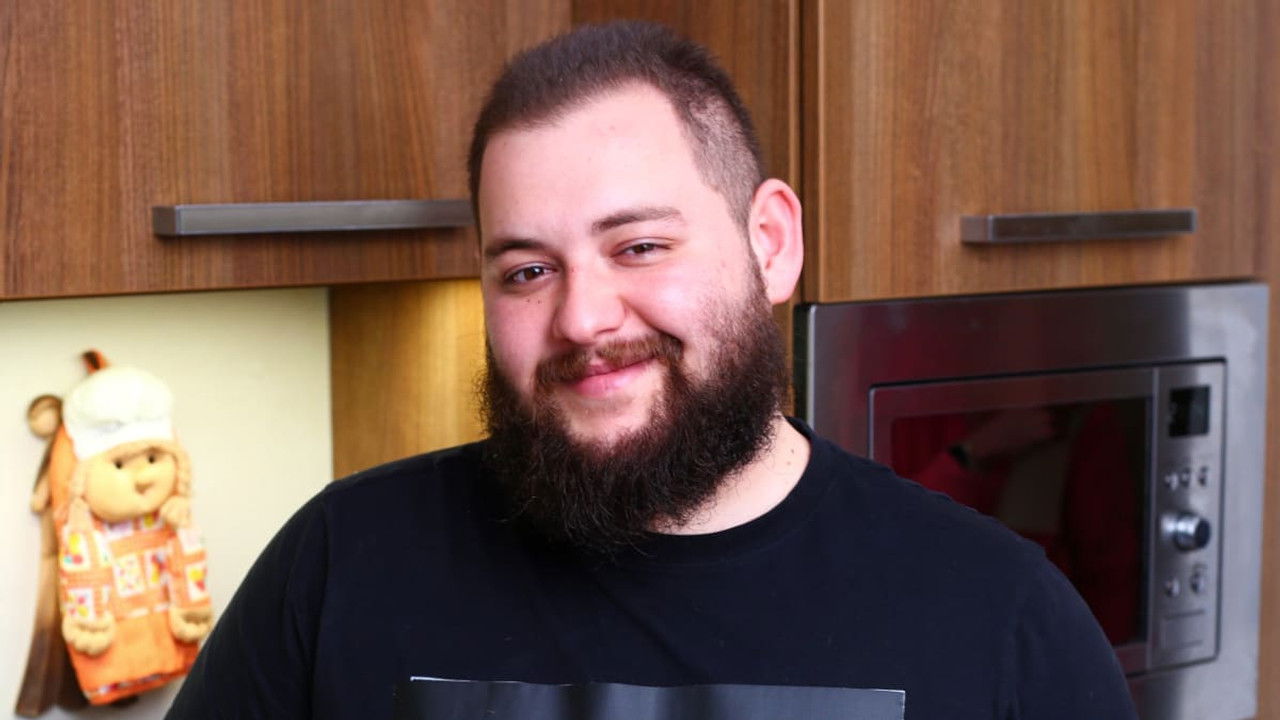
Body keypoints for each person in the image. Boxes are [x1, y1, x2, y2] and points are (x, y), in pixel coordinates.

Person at [165, 21, 1137, 720]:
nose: (581, 319)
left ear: (770, 243)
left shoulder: (999, 616)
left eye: (637, 247)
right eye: (527, 270)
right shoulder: (341, 563)